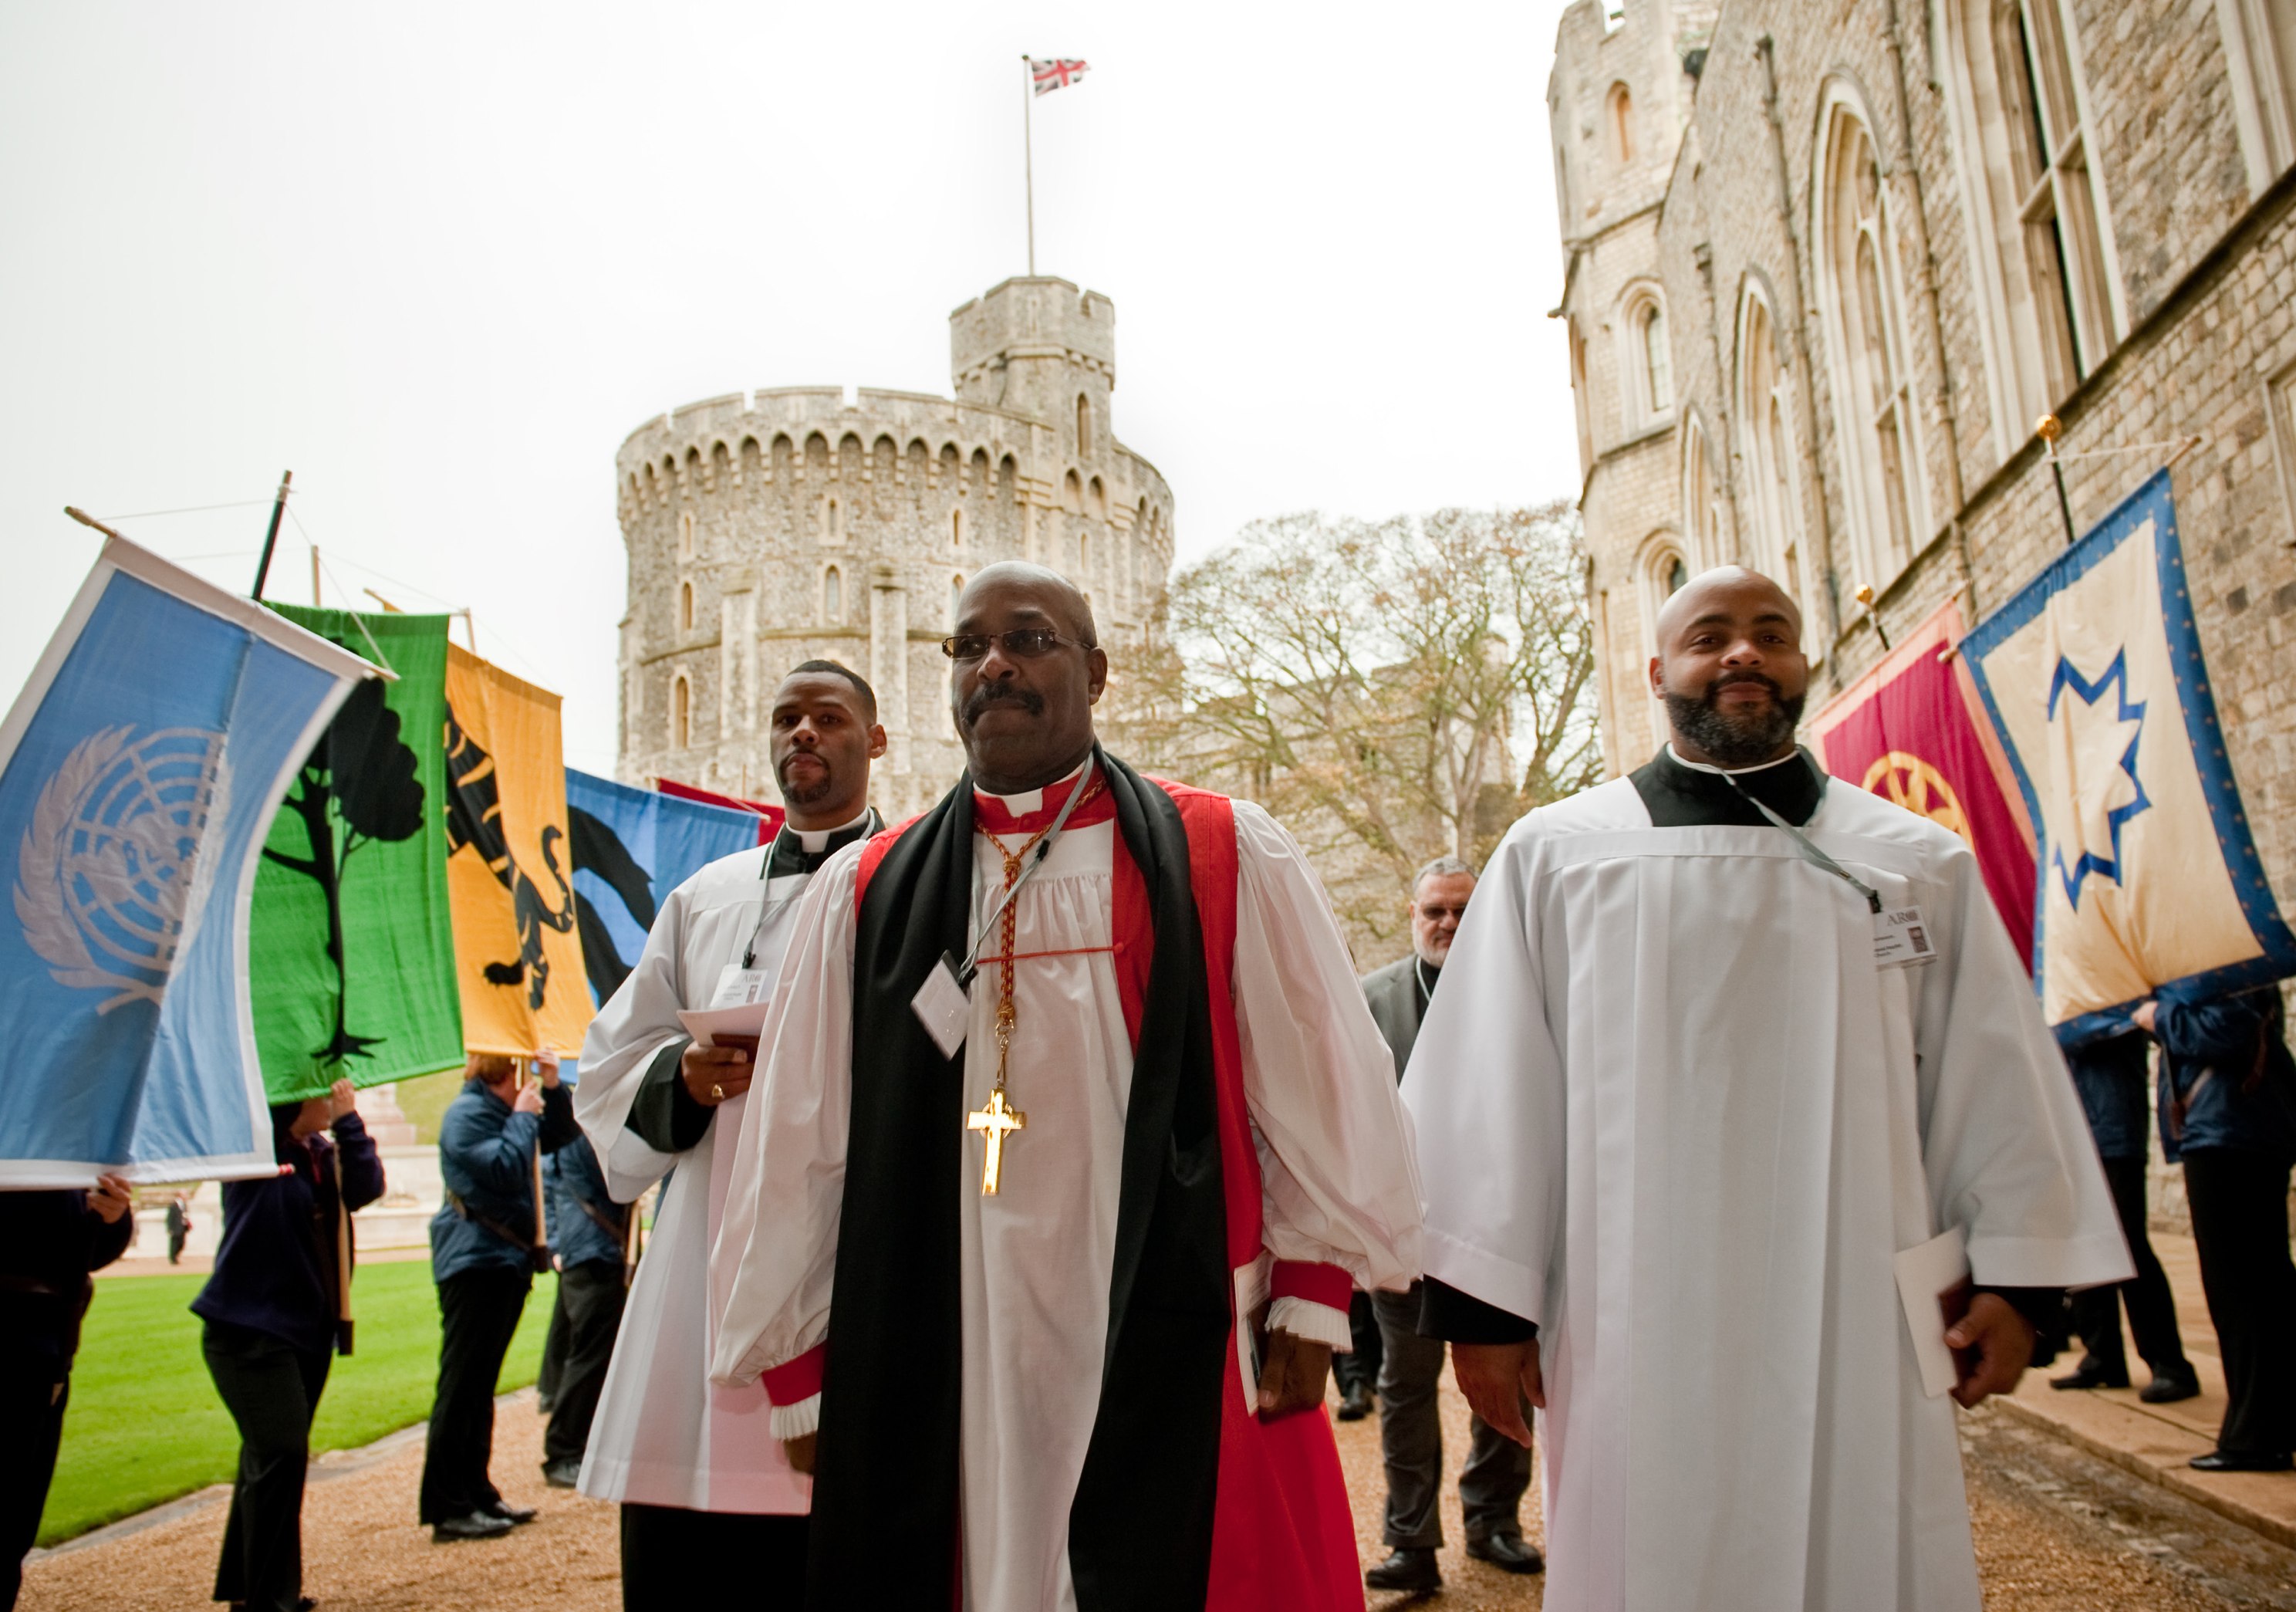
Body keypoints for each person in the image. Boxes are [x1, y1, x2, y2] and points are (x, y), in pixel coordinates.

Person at [1403, 566, 2132, 1611]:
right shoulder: (1557, 857)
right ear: (1659, 671)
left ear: (1803, 663)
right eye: (1710, 636)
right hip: (1628, 1314)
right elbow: (1487, 1089)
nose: (1742, 653)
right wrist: (1481, 1313)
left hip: (1860, 1305)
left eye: (1771, 634)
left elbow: (1993, 1076)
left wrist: (2017, 1283)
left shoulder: (1914, 859)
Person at [711, 563, 1423, 1609]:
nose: (993, 664)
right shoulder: (863, 893)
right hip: (950, 1328)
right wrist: (795, 1365)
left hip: (1170, 1316)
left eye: (1029, 639)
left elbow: (1315, 1073)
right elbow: (803, 1139)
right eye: (966, 647)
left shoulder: (1220, 849)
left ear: (1095, 671)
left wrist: (1313, 1296)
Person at [576, 661, 885, 1610]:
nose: (803, 733)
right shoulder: (704, 898)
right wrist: (682, 1077)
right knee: (694, 1547)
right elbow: (609, 1059)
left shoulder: (921, 883)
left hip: (860, 1240)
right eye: (786, 716)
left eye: (827, 718)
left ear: (874, 742)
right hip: (708, 1241)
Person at [1359, 857, 1539, 1593]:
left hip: (1500, 1231)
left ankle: (1494, 1518)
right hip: (1405, 1232)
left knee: (1506, 1382)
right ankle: (1411, 1542)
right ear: (1413, 914)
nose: (1449, 924)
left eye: (1464, 910)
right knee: (1405, 1386)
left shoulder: (1523, 992)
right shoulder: (1372, 999)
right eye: (1436, 911)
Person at [193, 1080, 384, 1612]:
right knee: (281, 1451)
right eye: (325, 1089)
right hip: (249, 1330)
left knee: (272, 1458)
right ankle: (267, 1598)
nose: (337, 1093)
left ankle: (252, 1587)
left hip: (305, 1330)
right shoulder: (256, 1151)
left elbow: (365, 1189)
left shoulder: (321, 1152)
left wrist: (349, 1124)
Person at [419, 1048, 577, 1543]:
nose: (526, 1080)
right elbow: (507, 1167)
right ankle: (447, 1506)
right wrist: (524, 1117)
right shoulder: (466, 1116)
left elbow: (559, 1136)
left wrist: (552, 1090)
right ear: (501, 1073)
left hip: (500, 1263)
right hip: (474, 1262)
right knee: (462, 1387)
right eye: (523, 1072)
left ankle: (477, 1491)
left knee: (480, 1388)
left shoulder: (503, 1113)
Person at [2139, 985, 2296, 1471]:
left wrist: (2158, 1015)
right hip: (2229, 1127)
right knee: (2256, 1283)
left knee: (2242, 1287)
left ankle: (2256, 1436)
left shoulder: (2218, 954)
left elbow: (2226, 1031)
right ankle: (2258, 1428)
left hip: (2230, 1127)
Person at [0, 1174, 133, 1611]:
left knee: (15, 1524)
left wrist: (110, 1215)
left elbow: (85, 1252)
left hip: (46, 1349)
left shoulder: (57, 1141)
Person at [2049, 1029, 2197, 1401]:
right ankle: (2102, 1356)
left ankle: (2170, 1365)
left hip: (2114, 1128)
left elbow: (2105, 1027)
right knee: (2083, 1242)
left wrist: (2055, 1029)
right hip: (2078, 1128)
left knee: (2128, 1246)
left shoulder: (2112, 990)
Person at [538, 1132, 627, 1489]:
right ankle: (563, 1449)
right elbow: (616, 1179)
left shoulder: (575, 1127)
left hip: (590, 1245)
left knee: (585, 1348)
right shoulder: (585, 1128)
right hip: (592, 1249)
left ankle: (574, 1442)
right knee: (589, 1353)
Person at [167, 1194, 192, 1266]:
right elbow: (170, 1217)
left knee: (181, 1243)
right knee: (174, 1244)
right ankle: (173, 1258)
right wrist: (170, 1228)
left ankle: (176, 1257)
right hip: (175, 1228)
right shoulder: (174, 1205)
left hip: (182, 1227)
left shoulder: (184, 1205)